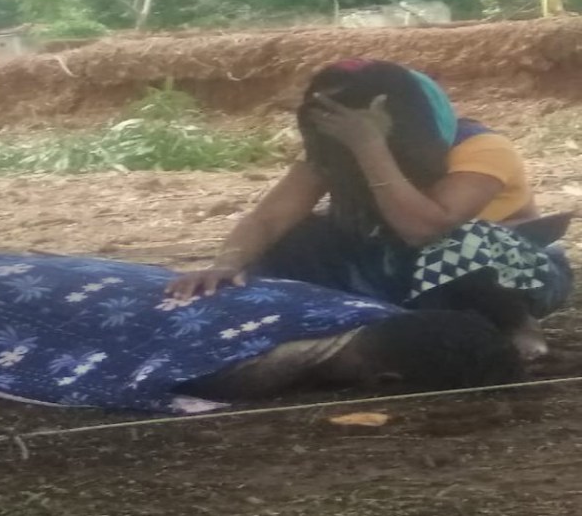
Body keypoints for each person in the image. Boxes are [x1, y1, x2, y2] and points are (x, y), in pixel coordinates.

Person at [167, 59, 574, 358]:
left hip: (501, 276)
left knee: (461, 240)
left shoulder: (481, 147)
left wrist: (370, 148)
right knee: (299, 236)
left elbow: (425, 228)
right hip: (398, 270)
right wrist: (226, 263)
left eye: (346, 119)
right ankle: (333, 325)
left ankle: (515, 328)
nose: (336, 128)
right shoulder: (335, 152)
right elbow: (269, 219)